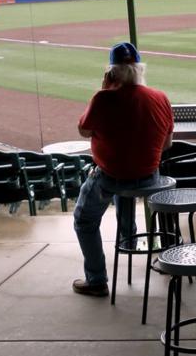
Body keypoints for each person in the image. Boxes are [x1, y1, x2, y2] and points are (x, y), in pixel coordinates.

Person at [71, 42, 174, 297]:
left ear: (111, 72)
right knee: (125, 187)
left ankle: (97, 280)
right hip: (150, 177)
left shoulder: (103, 98)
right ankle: (131, 238)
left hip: (111, 177)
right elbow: (167, 144)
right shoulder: (160, 98)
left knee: (84, 221)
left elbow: (84, 130)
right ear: (139, 69)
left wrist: (104, 90)